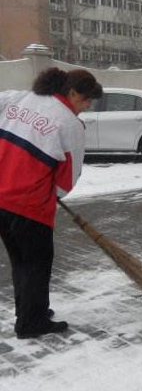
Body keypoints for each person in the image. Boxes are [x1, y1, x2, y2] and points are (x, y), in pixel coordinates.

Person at [0, 68, 103, 339]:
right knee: (36, 262)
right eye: (86, 99)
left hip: (1, 198)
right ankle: (30, 324)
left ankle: (30, 310)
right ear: (71, 92)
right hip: (30, 204)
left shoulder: (22, 98)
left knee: (21, 260)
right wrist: (53, 196)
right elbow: (68, 178)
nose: (88, 106)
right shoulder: (70, 124)